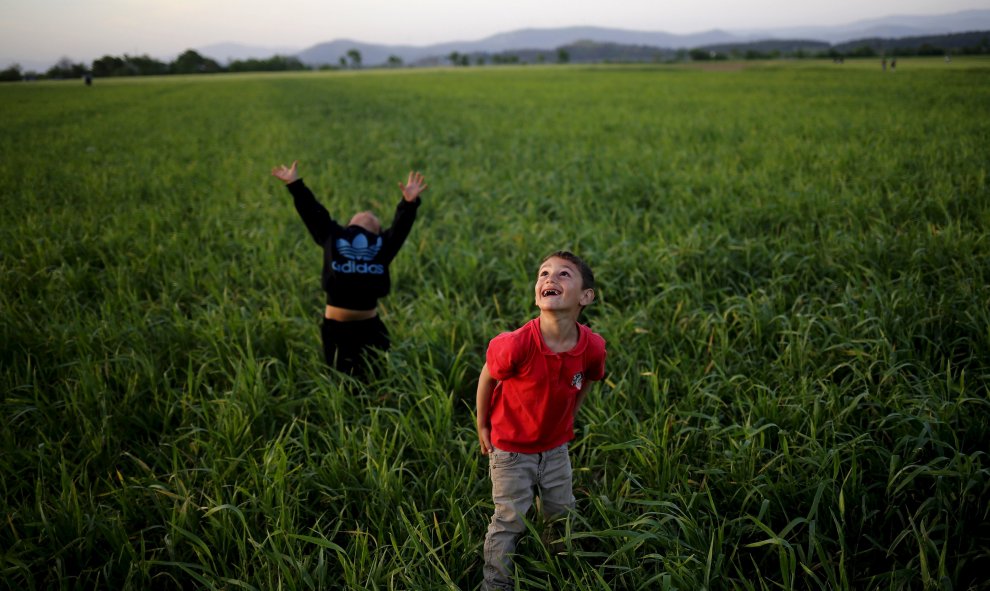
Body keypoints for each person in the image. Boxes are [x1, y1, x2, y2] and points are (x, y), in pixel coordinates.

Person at [475, 250, 607, 590]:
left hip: (556, 447)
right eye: (544, 273)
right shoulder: (517, 344)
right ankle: (496, 584)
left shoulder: (591, 346)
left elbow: (589, 377)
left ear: (585, 297)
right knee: (509, 520)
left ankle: (555, 565)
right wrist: (482, 424)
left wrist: (570, 416)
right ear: (537, 292)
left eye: (564, 274)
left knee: (561, 512)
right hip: (511, 449)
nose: (550, 278)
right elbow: (488, 375)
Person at [271, 160, 427, 375]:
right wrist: (295, 184)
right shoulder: (333, 236)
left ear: (377, 231)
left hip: (369, 328)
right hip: (335, 330)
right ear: (349, 225)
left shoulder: (382, 245)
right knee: (341, 380)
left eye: (374, 217)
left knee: (378, 378)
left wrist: (408, 203)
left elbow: (400, 228)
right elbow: (313, 212)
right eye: (364, 213)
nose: (367, 213)